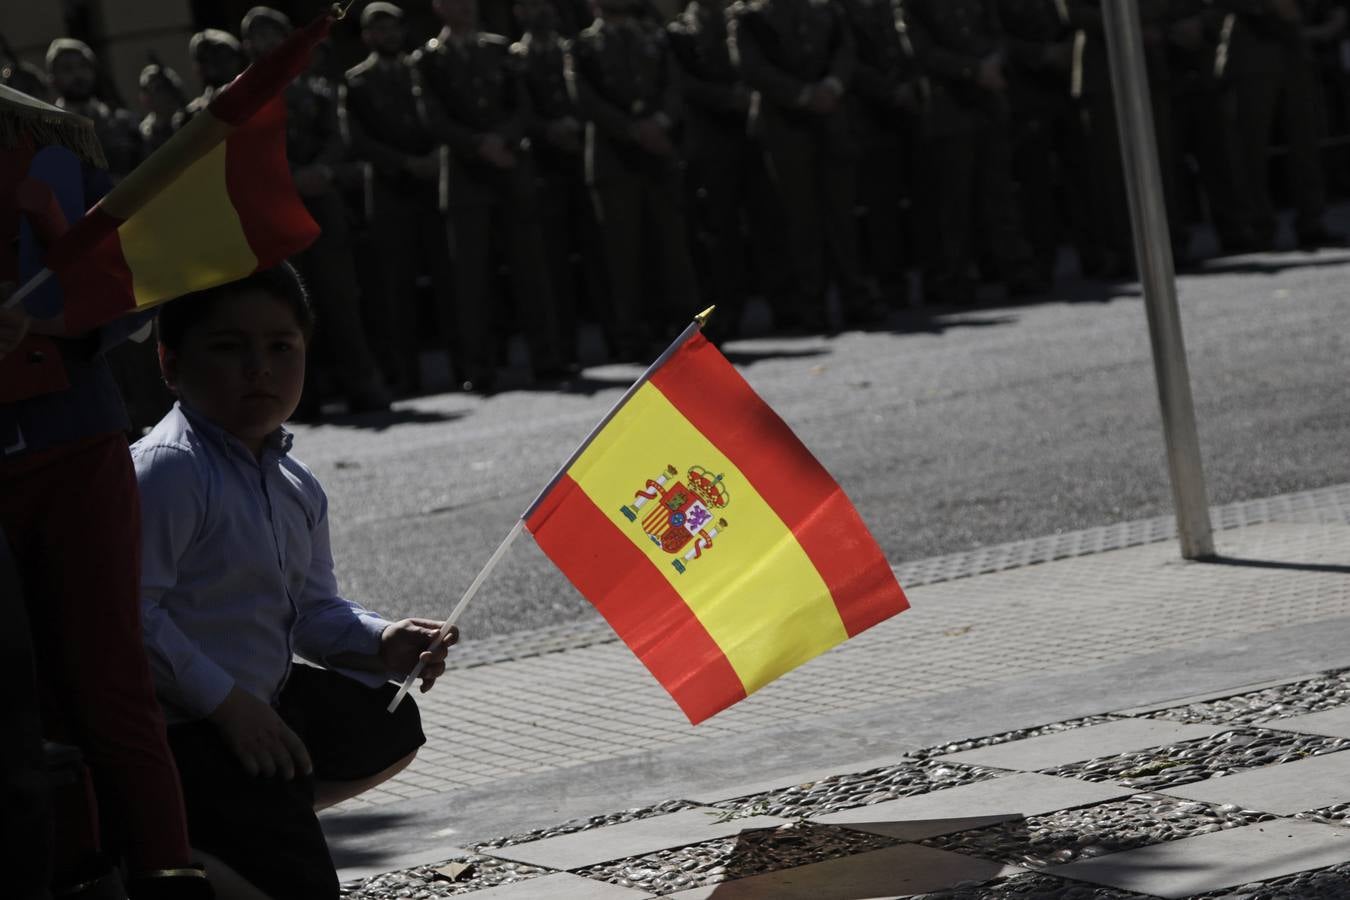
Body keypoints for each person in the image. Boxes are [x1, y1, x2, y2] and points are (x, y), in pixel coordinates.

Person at [132, 264, 454, 899]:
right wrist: (228, 706)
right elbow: (127, 616)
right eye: (229, 348)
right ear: (170, 364)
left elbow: (311, 610)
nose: (260, 368)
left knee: (387, 724)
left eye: (281, 347)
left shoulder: (294, 482)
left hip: (260, 702)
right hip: (181, 729)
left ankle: (241, 824)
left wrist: (382, 640)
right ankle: (169, 836)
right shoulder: (169, 470)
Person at [0, 83, 209, 899]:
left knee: (110, 685)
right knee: (17, 701)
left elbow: (131, 289)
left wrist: (43, 322)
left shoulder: (51, 136)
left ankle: (167, 874)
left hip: (71, 446)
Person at [242, 6, 392, 417]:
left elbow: (337, 137)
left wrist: (321, 169)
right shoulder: (244, 96)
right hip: (276, 209)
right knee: (288, 308)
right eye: (258, 36)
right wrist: (290, 178)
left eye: (274, 33)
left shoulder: (316, 90)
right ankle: (301, 397)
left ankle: (363, 384)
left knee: (340, 298)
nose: (268, 42)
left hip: (321, 203)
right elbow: (247, 154)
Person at [416, 0, 565, 390]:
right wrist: (478, 145)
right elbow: (433, 116)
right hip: (466, 178)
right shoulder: (430, 59)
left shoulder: (499, 49)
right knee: (471, 280)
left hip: (510, 170)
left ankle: (546, 357)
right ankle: (479, 368)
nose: (465, 7)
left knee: (531, 270)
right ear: (439, 7)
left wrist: (505, 139)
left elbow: (523, 105)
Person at [729, 0, 882, 330]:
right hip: (784, 126)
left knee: (841, 214)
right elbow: (752, 67)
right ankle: (811, 303)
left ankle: (855, 295)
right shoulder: (751, 19)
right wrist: (802, 94)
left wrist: (832, 86)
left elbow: (844, 51)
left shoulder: (825, 10)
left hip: (831, 122)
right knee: (801, 219)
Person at [567, 0, 702, 358]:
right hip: (614, 159)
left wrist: (660, 124)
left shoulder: (653, 39)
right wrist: (632, 129)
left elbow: (672, 86)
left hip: (657, 154)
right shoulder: (582, 46)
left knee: (673, 247)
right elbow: (584, 98)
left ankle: (686, 332)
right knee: (623, 254)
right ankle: (630, 336)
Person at [342, 1, 456, 396]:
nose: (386, 36)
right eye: (377, 29)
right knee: (396, 292)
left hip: (433, 187)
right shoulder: (356, 82)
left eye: (392, 28)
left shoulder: (421, 68)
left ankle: (466, 365)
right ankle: (406, 375)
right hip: (392, 194)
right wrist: (405, 163)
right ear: (366, 37)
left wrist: (436, 158)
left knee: (449, 279)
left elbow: (443, 114)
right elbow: (357, 139)